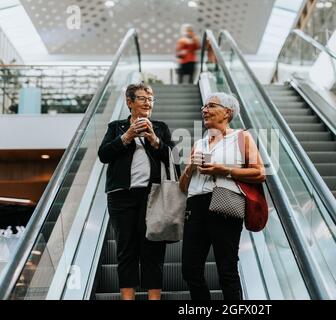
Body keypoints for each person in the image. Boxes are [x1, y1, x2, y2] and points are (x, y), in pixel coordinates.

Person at [179, 92, 265, 300]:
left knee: (227, 270)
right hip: (195, 207)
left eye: (211, 106)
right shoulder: (199, 144)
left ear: (227, 112)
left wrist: (223, 170)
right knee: (190, 269)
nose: (204, 110)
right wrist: (190, 166)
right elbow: (182, 187)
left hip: (224, 204)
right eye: (204, 107)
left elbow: (260, 173)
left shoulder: (241, 137)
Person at [98, 82, 174, 300]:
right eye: (142, 98)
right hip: (121, 195)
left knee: (153, 249)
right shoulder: (116, 127)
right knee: (126, 248)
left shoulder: (160, 127)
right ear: (129, 102)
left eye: (150, 99)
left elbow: (172, 159)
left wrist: (154, 139)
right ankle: (128, 297)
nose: (148, 103)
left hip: (154, 196)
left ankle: (153, 297)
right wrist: (127, 136)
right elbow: (104, 155)